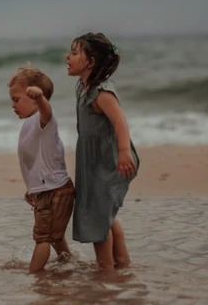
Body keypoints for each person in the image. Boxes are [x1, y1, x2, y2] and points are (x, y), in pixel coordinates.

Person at [65, 32, 140, 271]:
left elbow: (121, 123)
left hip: (109, 159)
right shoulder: (84, 87)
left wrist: (124, 151)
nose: (67, 57)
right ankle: (122, 262)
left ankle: (105, 271)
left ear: (91, 61)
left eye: (74, 53)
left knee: (98, 217)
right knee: (104, 213)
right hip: (92, 159)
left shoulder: (102, 93)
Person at [8, 65, 75, 273]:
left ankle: (35, 276)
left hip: (55, 190)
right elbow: (35, 163)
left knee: (43, 238)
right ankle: (68, 263)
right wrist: (33, 189)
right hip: (46, 190)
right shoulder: (29, 123)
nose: (13, 105)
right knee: (53, 236)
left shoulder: (44, 120)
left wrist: (40, 99)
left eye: (17, 100)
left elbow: (47, 110)